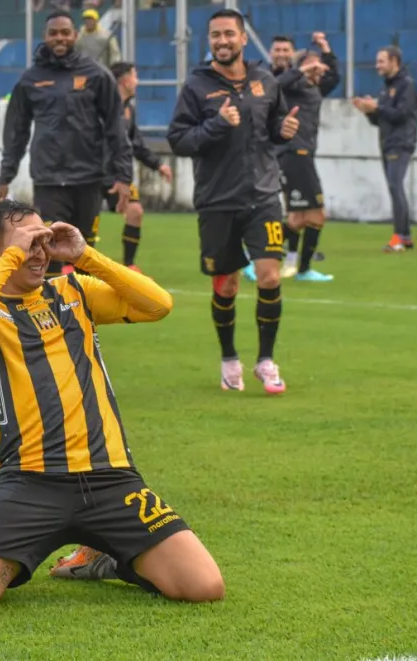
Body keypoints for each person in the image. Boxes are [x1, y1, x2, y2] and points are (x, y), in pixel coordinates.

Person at [0, 200, 225, 611]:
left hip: (112, 479)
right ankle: (21, 555)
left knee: (203, 585)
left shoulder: (74, 292)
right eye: (26, 243)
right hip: (30, 482)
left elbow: (158, 304)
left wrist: (85, 256)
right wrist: (13, 255)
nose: (38, 253)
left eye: (43, 241)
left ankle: (106, 556)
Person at [164, 8, 299, 394]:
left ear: (243, 38)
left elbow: (273, 128)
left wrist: (284, 130)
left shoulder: (264, 80)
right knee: (226, 286)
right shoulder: (196, 86)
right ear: (209, 42)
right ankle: (229, 359)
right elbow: (179, 140)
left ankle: (266, 361)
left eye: (228, 34)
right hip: (217, 200)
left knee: (270, 276)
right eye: (215, 36)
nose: (222, 41)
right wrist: (217, 124)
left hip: (263, 196)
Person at [0, 10, 133, 277]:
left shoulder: (97, 75)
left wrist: (124, 175)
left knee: (85, 254)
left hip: (89, 179)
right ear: (45, 37)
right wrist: (5, 175)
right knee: (48, 252)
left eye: (65, 32)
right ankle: (51, 317)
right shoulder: (30, 79)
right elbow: (16, 132)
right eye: (53, 33)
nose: (59, 38)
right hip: (49, 181)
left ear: (75, 35)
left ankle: (85, 316)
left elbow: (116, 128)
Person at [271, 33, 340, 282]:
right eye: (314, 66)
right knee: (316, 215)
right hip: (293, 153)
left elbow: (335, 76)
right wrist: (303, 68)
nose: (319, 70)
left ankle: (296, 265)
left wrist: (325, 48)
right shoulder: (291, 86)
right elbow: (277, 85)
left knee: (299, 218)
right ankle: (260, 249)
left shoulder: (315, 87)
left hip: (303, 154)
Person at [105, 61, 173, 272]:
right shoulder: (101, 106)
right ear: (125, 80)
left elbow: (136, 144)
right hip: (93, 173)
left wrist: (158, 164)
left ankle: (128, 264)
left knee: (135, 211)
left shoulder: (129, 110)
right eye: (135, 76)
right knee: (85, 220)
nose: (137, 81)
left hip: (119, 175)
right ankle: (71, 266)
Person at [352, 46, 417, 252]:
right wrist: (367, 111)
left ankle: (399, 236)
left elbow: (402, 114)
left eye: (381, 61)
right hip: (387, 141)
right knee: (394, 186)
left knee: (395, 185)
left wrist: (377, 108)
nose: (377, 66)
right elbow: (380, 121)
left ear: (394, 62)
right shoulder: (385, 87)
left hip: (401, 142)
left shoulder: (406, 85)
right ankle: (405, 236)